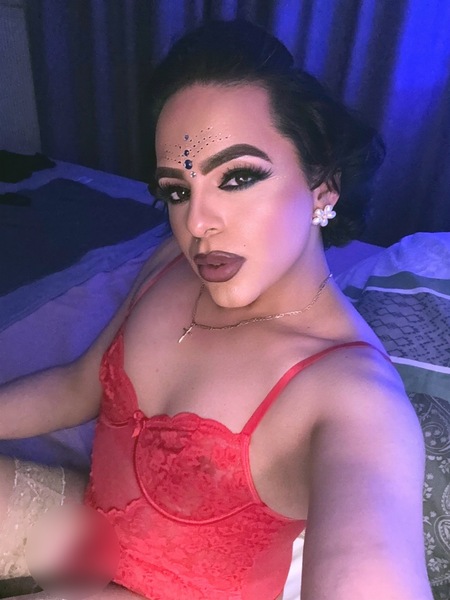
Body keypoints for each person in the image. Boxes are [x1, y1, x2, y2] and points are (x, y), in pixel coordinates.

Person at [0, 19, 432, 600]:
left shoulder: (355, 399)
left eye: (238, 177)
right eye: (177, 190)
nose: (197, 223)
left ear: (323, 185)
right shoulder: (169, 266)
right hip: (83, 525)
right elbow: (80, 386)